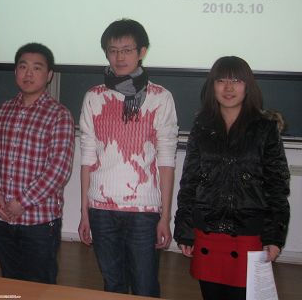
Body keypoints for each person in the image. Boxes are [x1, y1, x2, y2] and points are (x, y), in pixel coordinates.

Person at [174, 56, 290, 300]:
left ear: (248, 86)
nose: (228, 88)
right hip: (207, 232)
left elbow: (277, 187)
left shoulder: (265, 128)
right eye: (221, 81)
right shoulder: (202, 126)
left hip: (248, 233)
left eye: (236, 80)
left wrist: (274, 237)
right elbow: (189, 181)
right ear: (212, 86)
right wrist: (185, 230)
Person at [78, 19, 178, 297]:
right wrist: (84, 212)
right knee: (113, 285)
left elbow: (166, 162)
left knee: (145, 285)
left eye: (126, 50)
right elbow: (87, 158)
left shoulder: (160, 98)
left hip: (143, 211)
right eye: (113, 50)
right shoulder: (94, 97)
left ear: (142, 52)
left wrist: (165, 217)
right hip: (101, 208)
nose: (119, 57)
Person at [0, 42, 74, 284]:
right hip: (4, 219)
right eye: (23, 67)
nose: (29, 74)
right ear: (16, 72)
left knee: (39, 287)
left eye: (37, 68)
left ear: (49, 75)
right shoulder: (4, 110)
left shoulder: (59, 114)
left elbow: (58, 170)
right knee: (9, 283)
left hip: (39, 223)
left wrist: (21, 202)